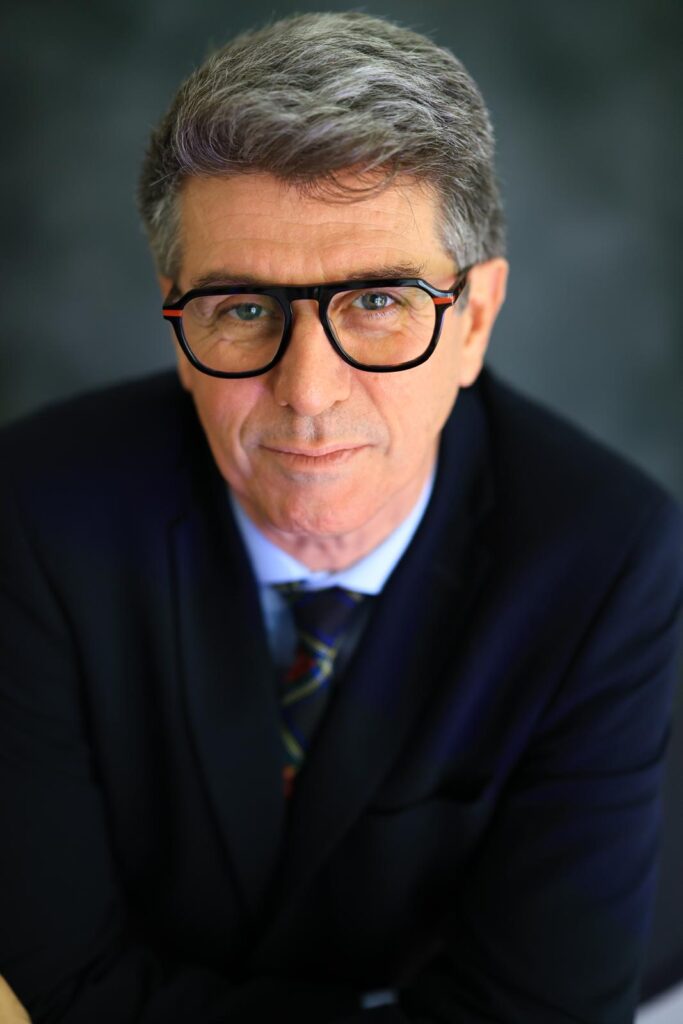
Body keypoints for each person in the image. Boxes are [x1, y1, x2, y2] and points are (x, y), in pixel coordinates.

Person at [0, 11, 681, 1024]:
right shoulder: (32, 511)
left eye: (376, 302)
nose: (308, 392)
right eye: (242, 308)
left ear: (473, 321)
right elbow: (58, 979)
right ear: (179, 327)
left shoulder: (605, 557)